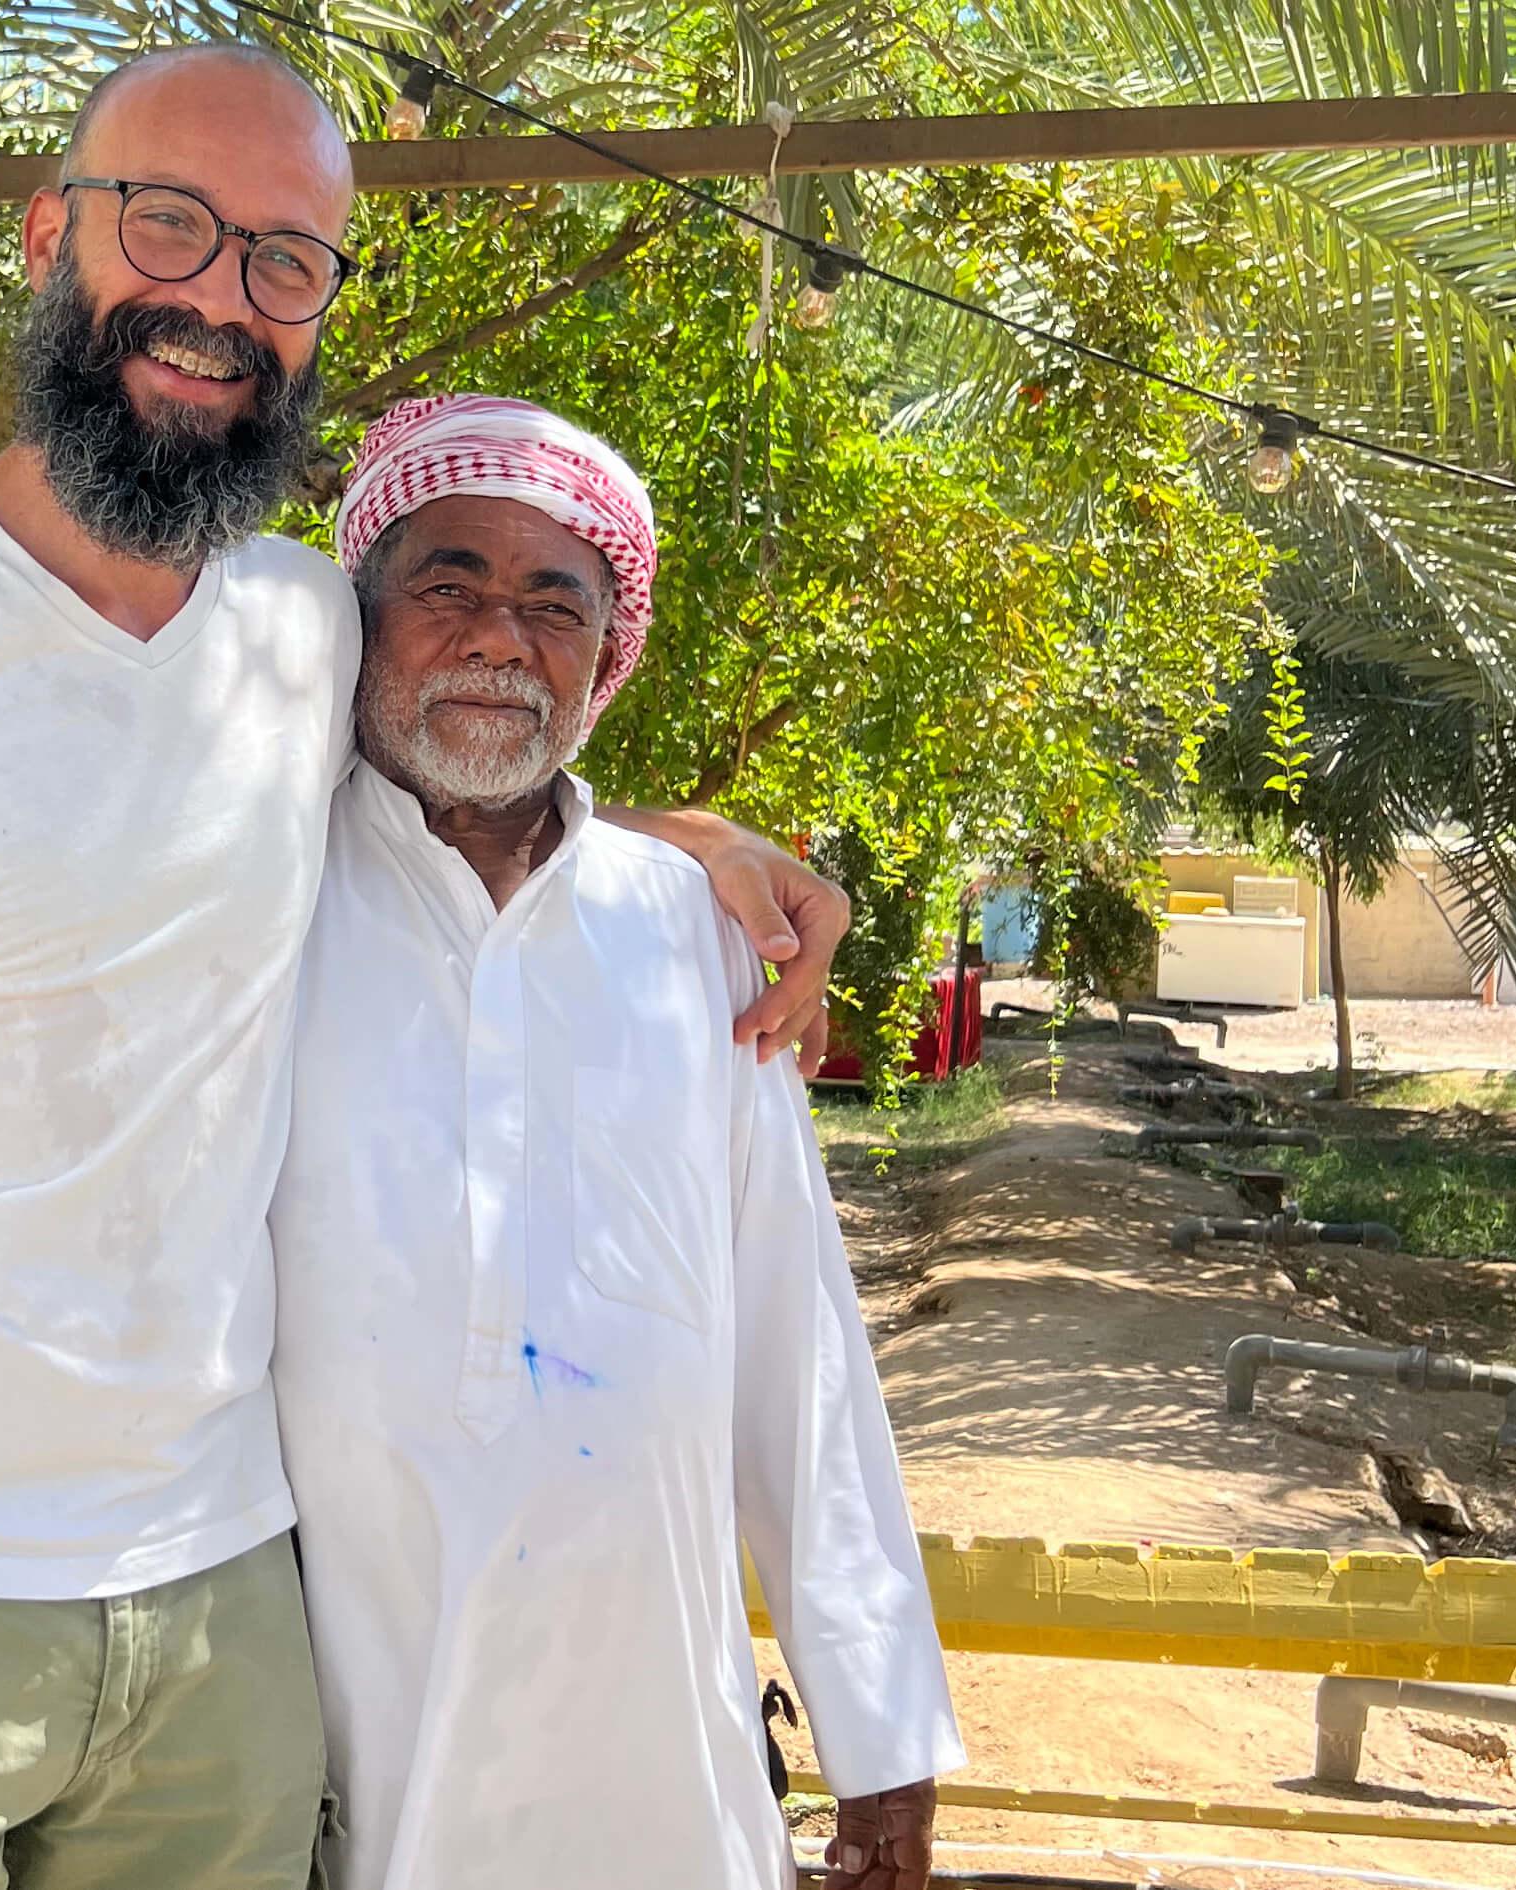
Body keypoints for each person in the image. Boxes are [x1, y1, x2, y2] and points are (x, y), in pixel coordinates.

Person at [0, 43, 853, 1890]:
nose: (220, 300)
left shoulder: (294, 627)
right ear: (55, 232)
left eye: (285, 259)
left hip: (210, 1592)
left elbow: (478, 779)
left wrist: (698, 847)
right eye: (172, 226)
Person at [271, 394, 960, 1889]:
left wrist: (879, 1724)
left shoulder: (697, 936)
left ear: (606, 653)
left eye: (553, 603)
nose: (499, 638)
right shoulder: (264, 896)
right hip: (333, 1717)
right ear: (363, 620)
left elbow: (796, 1338)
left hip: (653, 1746)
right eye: (448, 582)